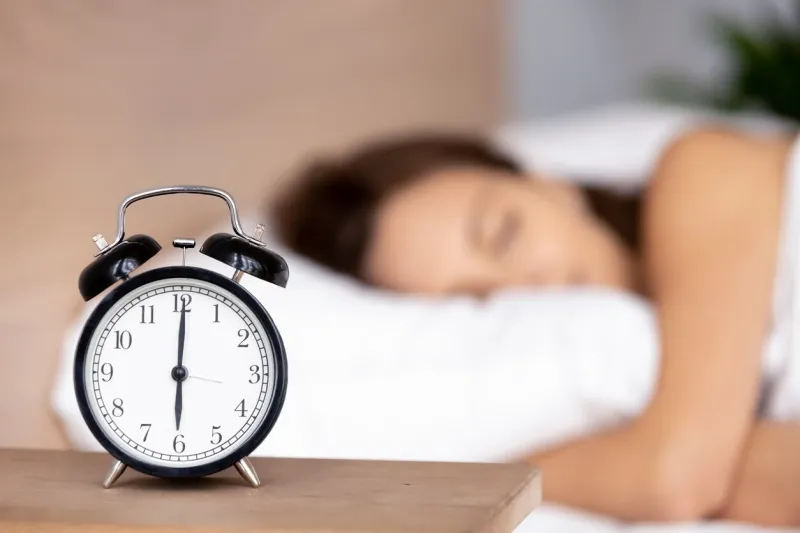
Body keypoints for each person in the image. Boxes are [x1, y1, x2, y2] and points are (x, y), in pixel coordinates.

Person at [272, 125, 800, 526]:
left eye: (505, 232)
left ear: (551, 186)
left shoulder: (703, 171)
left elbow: (674, 476)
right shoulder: (655, 407)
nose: (532, 284)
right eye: (482, 299)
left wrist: (472, 487)